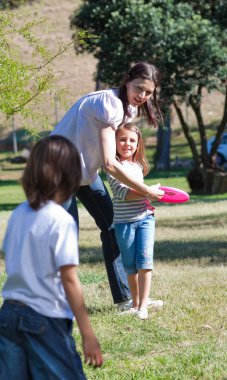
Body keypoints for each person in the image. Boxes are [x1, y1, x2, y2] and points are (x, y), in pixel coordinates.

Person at [51, 61, 164, 310]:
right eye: (139, 88)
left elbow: (112, 159)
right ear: (127, 80)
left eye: (148, 93)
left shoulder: (127, 110)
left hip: (84, 171)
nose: (142, 96)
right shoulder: (109, 103)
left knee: (113, 225)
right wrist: (146, 191)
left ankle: (126, 300)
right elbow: (110, 164)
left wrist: (135, 183)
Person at [0, 136, 103, 380]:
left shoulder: (18, 213)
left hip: (9, 316)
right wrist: (88, 333)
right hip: (45, 318)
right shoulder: (60, 219)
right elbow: (69, 280)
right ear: (70, 175)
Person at [107, 123, 163, 320]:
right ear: (113, 142)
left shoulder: (138, 166)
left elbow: (140, 192)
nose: (127, 144)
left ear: (138, 143)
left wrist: (150, 193)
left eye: (132, 140)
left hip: (145, 219)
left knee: (145, 263)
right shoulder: (112, 167)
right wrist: (149, 192)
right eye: (122, 139)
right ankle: (136, 303)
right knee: (130, 266)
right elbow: (124, 194)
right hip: (124, 224)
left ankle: (143, 306)